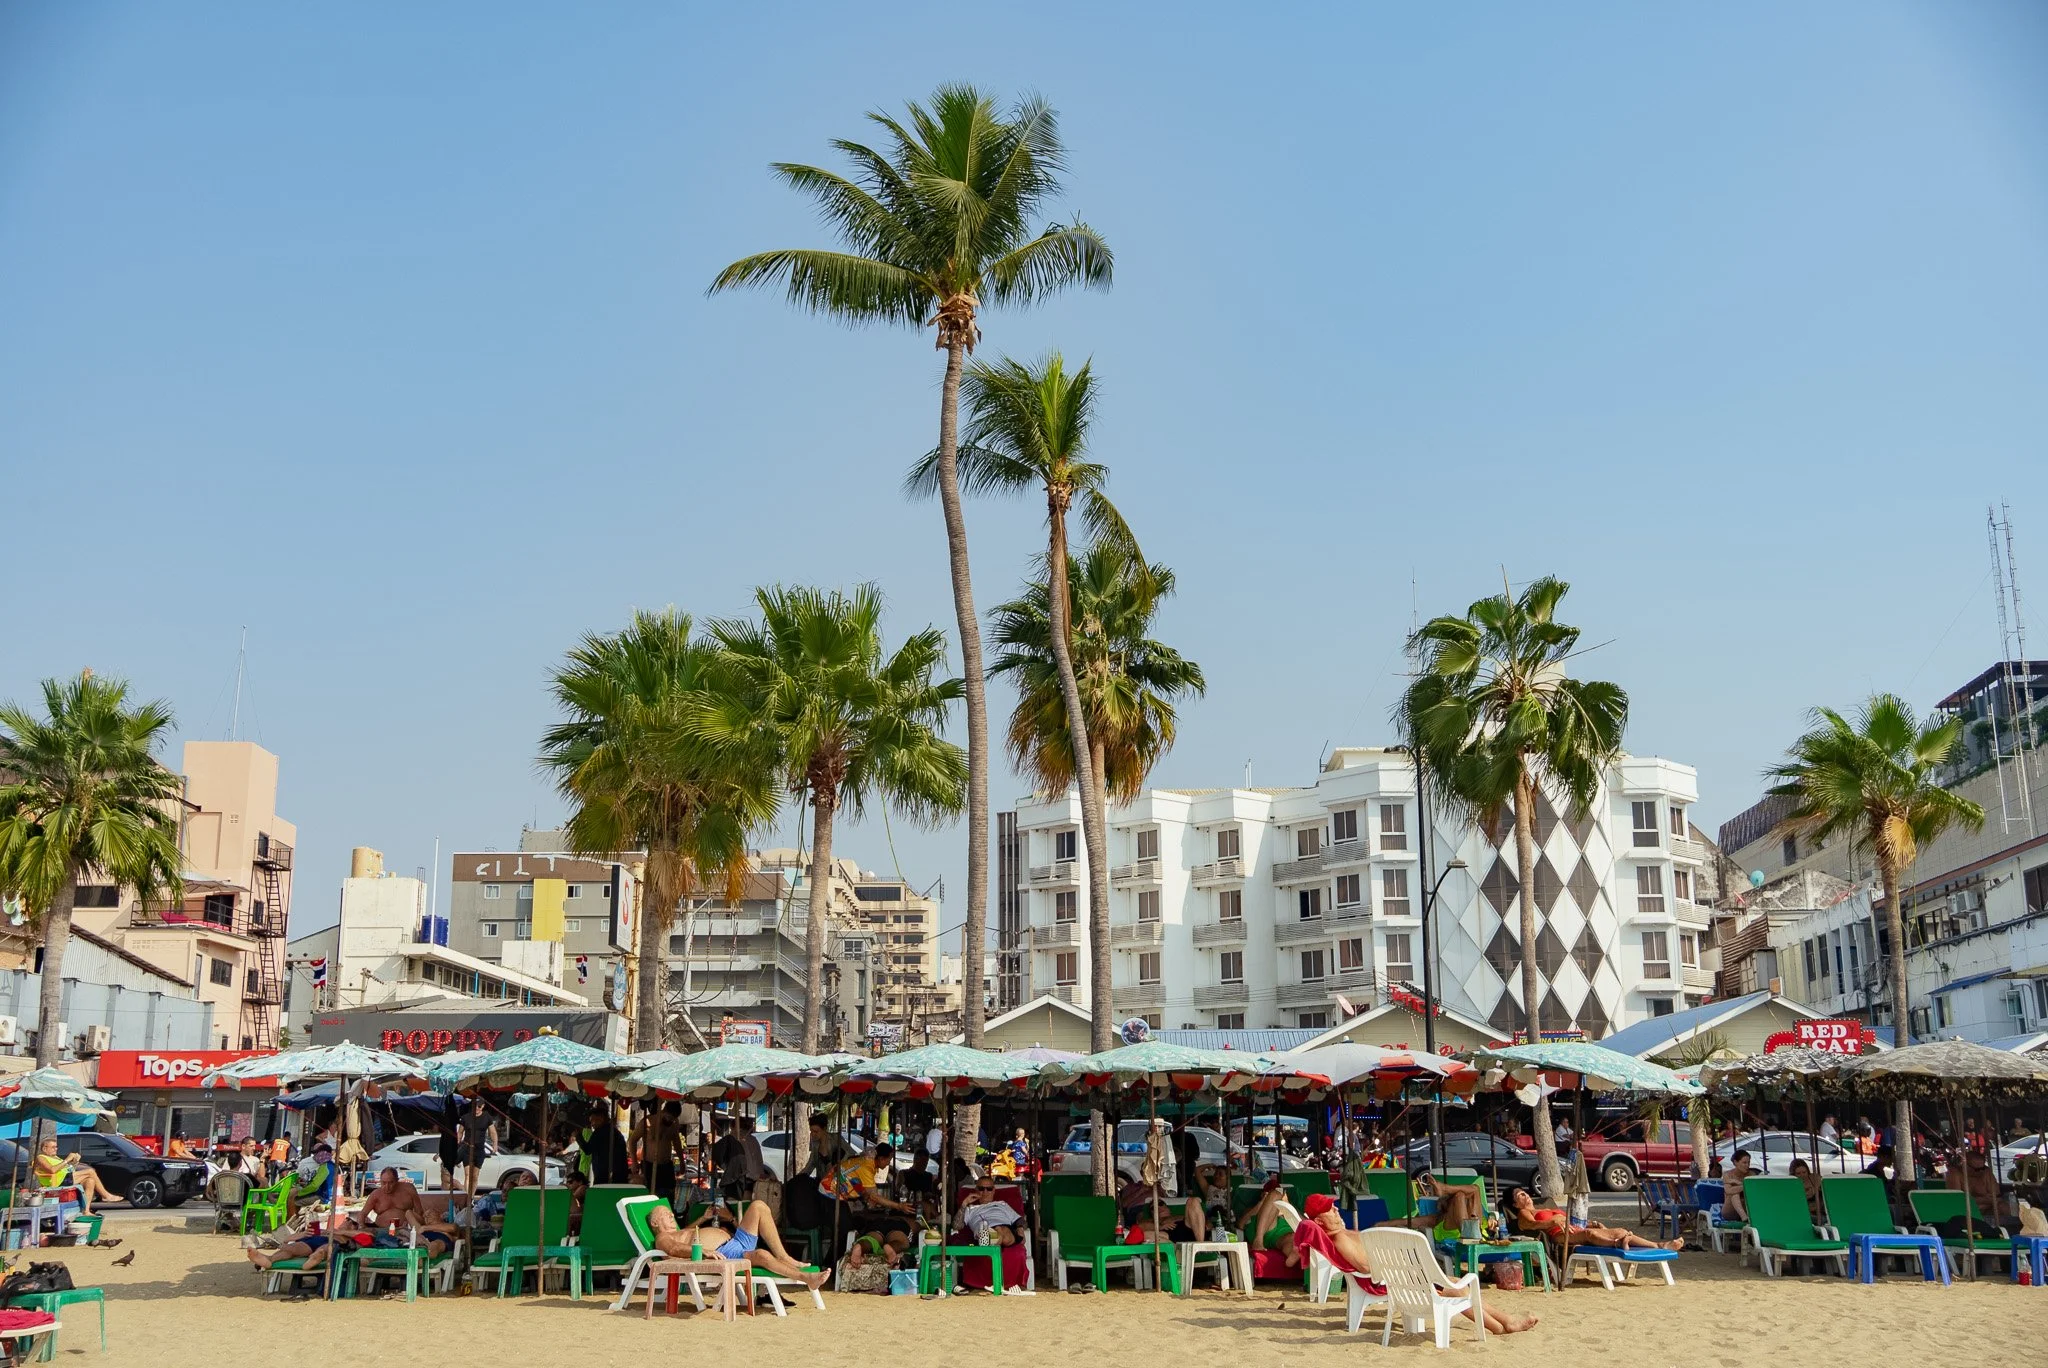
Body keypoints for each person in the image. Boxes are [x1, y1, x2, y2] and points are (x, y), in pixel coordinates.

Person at [1294, 1194, 1538, 1336]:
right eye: (1329, 1210)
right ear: (1319, 1220)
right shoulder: (1340, 1238)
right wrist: (1397, 1265)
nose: (1336, 1210)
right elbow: (1367, 1267)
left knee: (1453, 1283)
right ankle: (1503, 1324)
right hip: (1389, 1281)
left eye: (1334, 1206)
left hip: (1395, 1275)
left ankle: (1501, 1324)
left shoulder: (1342, 1232)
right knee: (1455, 1287)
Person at [663, 1198, 828, 1290]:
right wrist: (705, 1251)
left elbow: (689, 1231)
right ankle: (806, 1278)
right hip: (724, 1253)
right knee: (761, 1255)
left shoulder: (683, 1231)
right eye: (665, 1213)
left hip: (735, 1240)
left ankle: (784, 1257)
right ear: (656, 1223)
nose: (671, 1214)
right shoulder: (663, 1237)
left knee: (759, 1206)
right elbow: (673, 1248)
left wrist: (705, 1218)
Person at [1506, 1186, 1681, 1252]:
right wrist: (1553, 1222)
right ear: (1515, 1204)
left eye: (1525, 1192)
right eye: (1521, 1195)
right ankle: (1619, 1244)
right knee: (1590, 1234)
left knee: (1617, 1229)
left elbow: (1571, 1222)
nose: (1526, 1196)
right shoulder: (1524, 1213)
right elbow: (1528, 1225)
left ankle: (1659, 1245)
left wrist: (1590, 1222)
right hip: (1559, 1235)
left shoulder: (1546, 1207)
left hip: (1574, 1229)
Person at [826, 1142, 916, 1236]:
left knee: (848, 1226)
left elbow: (862, 1187)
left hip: (836, 1194)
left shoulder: (868, 1164)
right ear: (881, 1159)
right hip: (830, 1193)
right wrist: (899, 1206)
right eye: (888, 1160)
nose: (889, 1163)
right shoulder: (867, 1166)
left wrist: (866, 1197)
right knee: (845, 1231)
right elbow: (874, 1196)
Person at [32, 1138, 115, 1214]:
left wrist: (74, 1162)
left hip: (65, 1178)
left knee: (90, 1181)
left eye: (56, 1147)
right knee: (90, 1171)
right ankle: (106, 1196)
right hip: (56, 1181)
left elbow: (69, 1170)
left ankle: (86, 1211)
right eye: (53, 1147)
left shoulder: (56, 1158)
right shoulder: (41, 1158)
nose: (56, 1149)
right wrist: (67, 1159)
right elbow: (52, 1170)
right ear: (44, 1149)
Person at [956, 1175, 1027, 1246]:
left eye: (989, 1189)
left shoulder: (1002, 1204)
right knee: (997, 1233)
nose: (985, 1192)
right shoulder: (970, 1209)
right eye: (981, 1189)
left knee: (1002, 1231)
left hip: (1005, 1229)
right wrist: (964, 1203)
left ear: (993, 1190)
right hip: (984, 1231)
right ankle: (995, 1238)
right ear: (976, 1190)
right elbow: (957, 1226)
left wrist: (1020, 1229)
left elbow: (1019, 1220)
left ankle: (995, 1239)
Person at [1245, 1178, 1302, 1261]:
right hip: (1266, 1232)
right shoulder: (1253, 1209)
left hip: (1289, 1235)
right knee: (1275, 1195)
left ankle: (1296, 1257)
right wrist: (1261, 1203)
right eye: (1268, 1194)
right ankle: (1258, 1240)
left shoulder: (1288, 1207)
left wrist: (1288, 1205)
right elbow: (1240, 1224)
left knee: (1292, 1239)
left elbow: (1306, 1224)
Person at [1721, 1151, 1756, 1221]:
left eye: (1749, 1162)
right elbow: (1728, 1190)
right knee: (1734, 1194)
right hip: (1730, 1210)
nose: (1747, 1165)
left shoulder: (1751, 1174)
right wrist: (1745, 1185)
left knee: (1737, 1191)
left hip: (1746, 1206)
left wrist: (1739, 1184)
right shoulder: (1728, 1174)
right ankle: (1744, 1217)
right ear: (1736, 1162)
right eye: (1744, 1163)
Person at [1787, 1158, 1824, 1223]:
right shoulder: (1792, 1185)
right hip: (1804, 1213)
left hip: (1820, 1211)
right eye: (1798, 1173)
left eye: (1804, 1172)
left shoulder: (1815, 1179)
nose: (1802, 1175)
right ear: (1794, 1174)